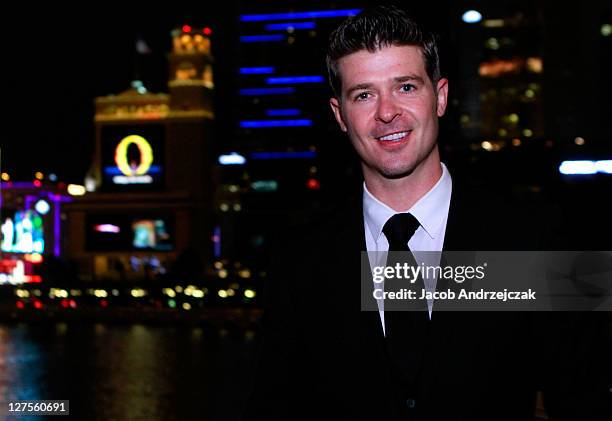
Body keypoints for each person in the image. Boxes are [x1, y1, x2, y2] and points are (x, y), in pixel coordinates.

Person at [243, 6, 611, 420]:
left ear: (440, 96)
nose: (386, 112)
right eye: (363, 94)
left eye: (405, 87)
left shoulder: (541, 234)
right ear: (339, 115)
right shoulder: (300, 260)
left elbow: (589, 396)